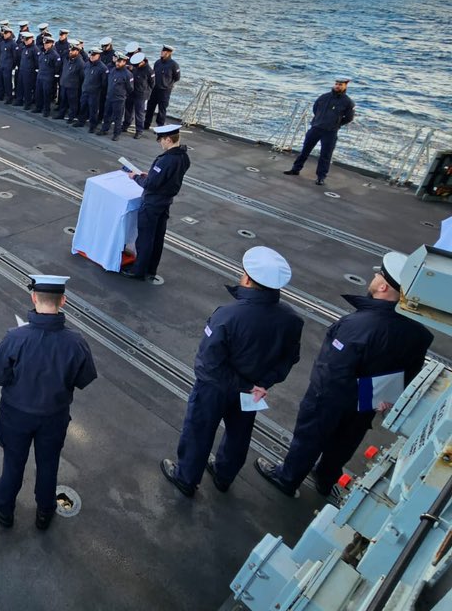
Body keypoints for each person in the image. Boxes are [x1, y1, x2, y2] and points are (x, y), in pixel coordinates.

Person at [255, 251, 433, 497]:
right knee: (344, 445)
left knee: (308, 439)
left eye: (378, 274)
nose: (374, 275)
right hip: (369, 400)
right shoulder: (420, 335)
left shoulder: (356, 326)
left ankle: (287, 478)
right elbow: (408, 374)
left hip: (332, 398)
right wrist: (372, 398)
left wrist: (321, 400)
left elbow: (331, 371)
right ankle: (325, 480)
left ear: (383, 286)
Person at [161, 247, 303, 497]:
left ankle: (186, 478)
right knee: (239, 433)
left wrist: (238, 383)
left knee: (199, 430)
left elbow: (207, 363)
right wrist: (262, 384)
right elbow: (289, 359)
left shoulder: (227, 316)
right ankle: (224, 476)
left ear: (248, 280)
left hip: (216, 388)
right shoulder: (291, 320)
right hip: (254, 390)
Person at [0, 275, 97, 529]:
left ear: (34, 297)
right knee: (48, 463)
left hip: (16, 416)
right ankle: (45, 511)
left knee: (13, 461)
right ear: (63, 301)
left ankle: (4, 508)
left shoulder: (14, 338)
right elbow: (84, 378)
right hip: (54, 417)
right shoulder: (77, 343)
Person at [123, 124, 191, 281]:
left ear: (168, 139)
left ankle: (138, 271)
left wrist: (136, 177)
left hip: (152, 202)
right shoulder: (183, 157)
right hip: (166, 202)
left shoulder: (165, 160)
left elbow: (150, 185)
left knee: (145, 238)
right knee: (158, 237)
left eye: (161, 140)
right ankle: (151, 269)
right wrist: (152, 176)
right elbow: (168, 178)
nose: (160, 143)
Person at [284, 77, 355, 186]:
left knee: (325, 155)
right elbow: (315, 108)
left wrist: (336, 124)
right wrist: (318, 120)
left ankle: (321, 177)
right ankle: (295, 169)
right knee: (305, 150)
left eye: (340, 85)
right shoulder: (324, 97)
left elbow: (349, 118)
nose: (337, 86)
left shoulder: (347, 102)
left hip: (330, 132)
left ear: (345, 86)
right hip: (316, 128)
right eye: (336, 84)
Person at [146, 45, 181, 130]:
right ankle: (146, 124)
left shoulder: (174, 65)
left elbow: (177, 77)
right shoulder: (158, 62)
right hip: (154, 89)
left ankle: (160, 126)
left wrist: (168, 84)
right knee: (150, 107)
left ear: (169, 53)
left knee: (162, 109)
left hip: (165, 91)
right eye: (162, 51)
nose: (161, 52)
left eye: (164, 51)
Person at [125, 52, 154, 139]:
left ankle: (139, 130)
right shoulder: (135, 67)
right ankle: (126, 125)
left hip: (141, 95)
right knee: (128, 111)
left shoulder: (149, 71)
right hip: (132, 92)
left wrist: (145, 92)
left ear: (142, 62)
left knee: (139, 113)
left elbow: (152, 84)